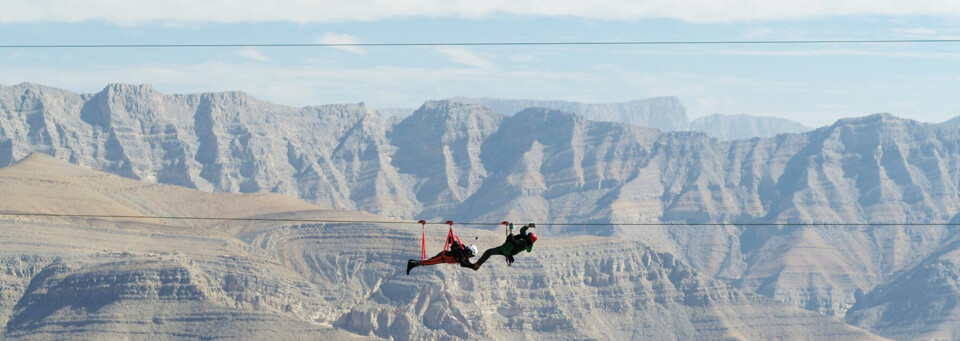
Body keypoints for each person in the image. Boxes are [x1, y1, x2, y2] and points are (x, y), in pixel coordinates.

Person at [471, 223, 537, 270]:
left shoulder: (522, 244)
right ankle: (478, 264)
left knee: (489, 252)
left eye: (529, 236)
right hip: (505, 248)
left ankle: (477, 265)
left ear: (529, 239)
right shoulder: (526, 239)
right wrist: (528, 226)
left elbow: (512, 240)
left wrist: (511, 230)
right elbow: (522, 230)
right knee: (489, 251)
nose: (527, 235)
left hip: (507, 250)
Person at [407, 235, 479, 275]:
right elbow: (463, 264)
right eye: (470, 254)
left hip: (445, 260)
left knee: (429, 261)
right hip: (442, 257)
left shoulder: (465, 256)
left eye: (471, 256)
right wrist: (471, 266)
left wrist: (473, 266)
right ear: (469, 250)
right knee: (428, 262)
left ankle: (413, 262)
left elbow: (468, 263)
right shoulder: (461, 252)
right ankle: (412, 263)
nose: (469, 256)